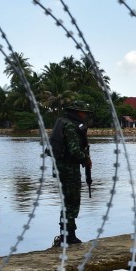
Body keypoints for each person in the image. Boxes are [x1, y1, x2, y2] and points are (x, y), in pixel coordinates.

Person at [49, 98, 92, 247]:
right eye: (82, 112)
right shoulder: (71, 126)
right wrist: (85, 160)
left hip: (60, 167)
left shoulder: (62, 122)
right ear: (76, 112)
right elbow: (74, 150)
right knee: (72, 202)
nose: (84, 115)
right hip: (69, 169)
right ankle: (69, 236)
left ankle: (65, 234)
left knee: (66, 202)